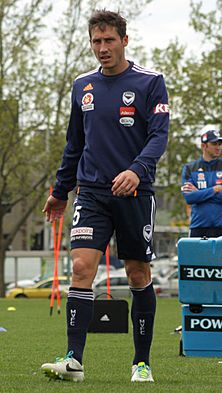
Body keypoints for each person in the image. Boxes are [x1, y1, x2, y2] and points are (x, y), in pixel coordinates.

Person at [41, 10, 169, 383]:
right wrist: (61, 190)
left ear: (124, 41)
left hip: (135, 191)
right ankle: (73, 360)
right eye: (96, 41)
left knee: (137, 272)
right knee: (81, 269)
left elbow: (159, 136)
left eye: (109, 40)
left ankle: (141, 362)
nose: (102, 48)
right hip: (92, 192)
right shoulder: (82, 85)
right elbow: (74, 144)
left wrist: (136, 170)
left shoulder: (150, 82)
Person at [181, 129, 222, 238]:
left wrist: (199, 194)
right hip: (198, 228)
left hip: (220, 228)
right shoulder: (190, 168)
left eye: (219, 144)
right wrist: (215, 190)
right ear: (204, 146)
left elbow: (195, 196)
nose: (218, 147)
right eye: (214, 144)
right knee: (196, 256)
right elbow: (189, 198)